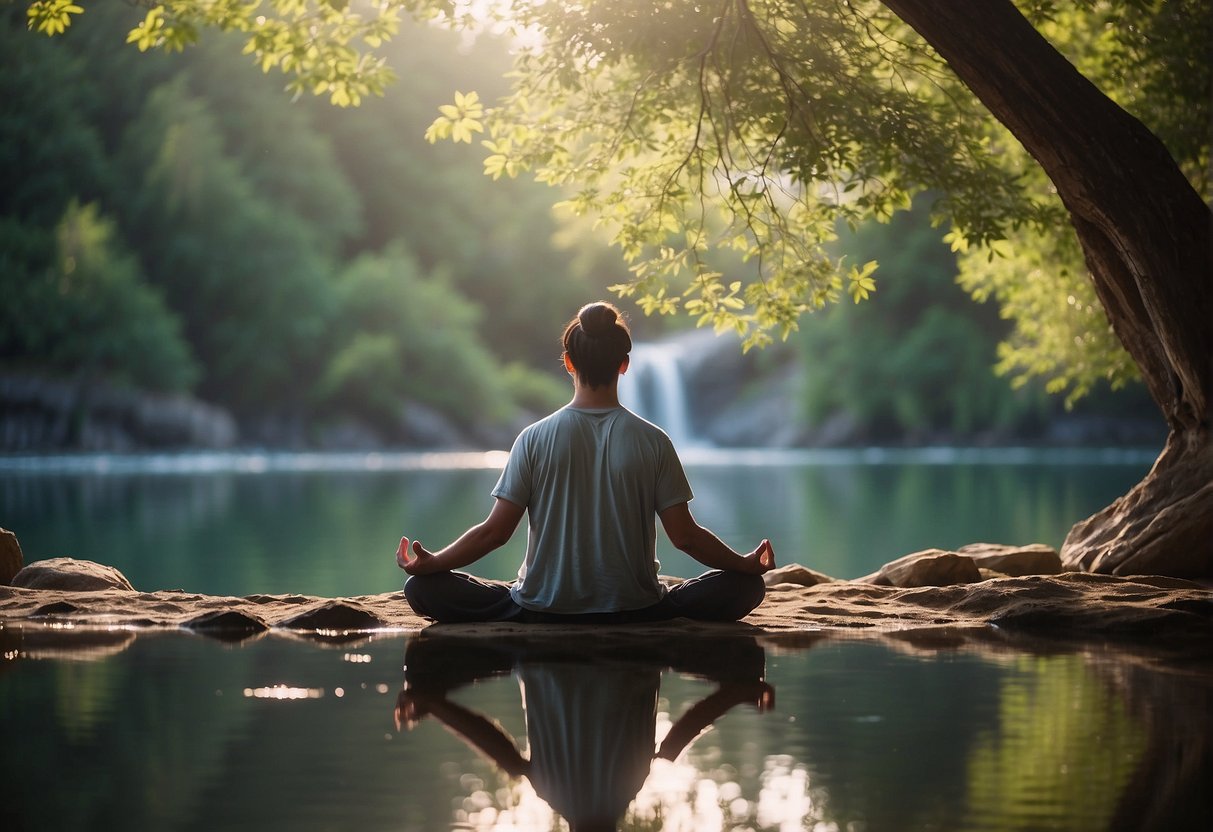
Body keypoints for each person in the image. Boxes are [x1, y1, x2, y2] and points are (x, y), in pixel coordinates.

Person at [397, 300, 775, 624]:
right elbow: (685, 537)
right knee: (746, 587)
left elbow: (494, 533)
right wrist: (742, 565)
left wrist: (435, 563)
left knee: (421, 588)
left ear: (568, 362)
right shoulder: (654, 441)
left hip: (541, 609)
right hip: (636, 609)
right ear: (624, 365)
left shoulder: (532, 438)